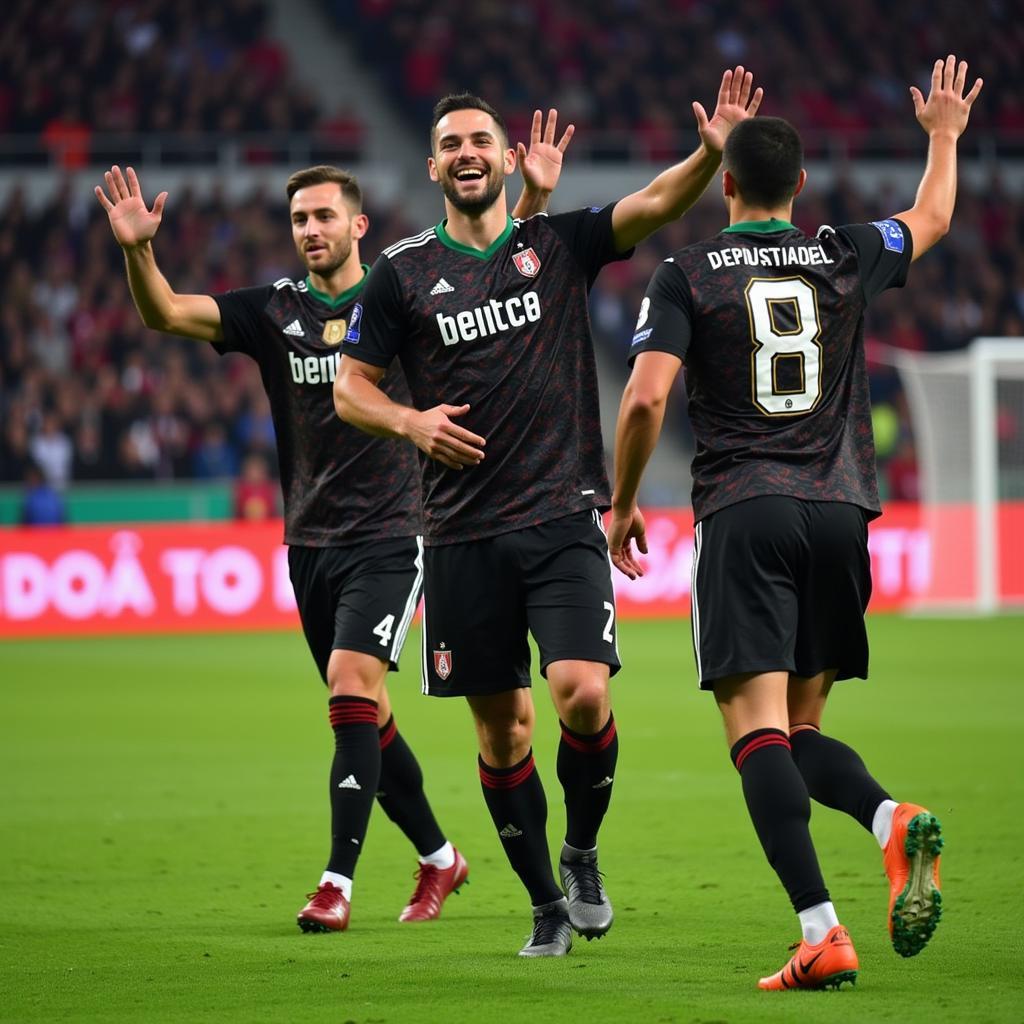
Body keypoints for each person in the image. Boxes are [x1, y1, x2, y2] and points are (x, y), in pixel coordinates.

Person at [93, 113, 567, 934]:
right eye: (298, 220)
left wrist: (532, 196)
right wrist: (139, 249)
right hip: (308, 543)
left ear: (357, 226)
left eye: (323, 217)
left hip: (397, 530)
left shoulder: (403, 295)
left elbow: (497, 272)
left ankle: (335, 884)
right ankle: (439, 858)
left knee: (351, 686)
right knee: (367, 713)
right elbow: (166, 313)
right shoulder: (270, 311)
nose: (310, 231)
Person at [333, 68, 762, 957]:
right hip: (457, 533)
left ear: (505, 156)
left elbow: (647, 207)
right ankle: (543, 904)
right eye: (451, 144)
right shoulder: (400, 275)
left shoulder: (555, 244)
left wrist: (708, 153)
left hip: (563, 514)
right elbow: (348, 390)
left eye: (479, 142)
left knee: (581, 694)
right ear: (432, 165)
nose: (466, 155)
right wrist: (410, 420)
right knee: (503, 731)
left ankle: (581, 849)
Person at [608, 56, 982, 990]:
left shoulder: (685, 274)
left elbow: (647, 400)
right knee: (801, 729)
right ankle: (891, 819)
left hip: (746, 510)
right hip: (841, 512)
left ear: (725, 184)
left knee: (754, 734)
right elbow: (933, 218)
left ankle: (821, 929)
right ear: (801, 185)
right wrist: (941, 134)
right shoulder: (842, 252)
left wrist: (619, 502)